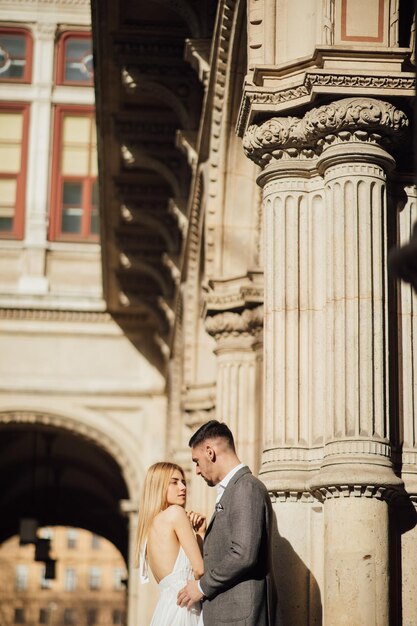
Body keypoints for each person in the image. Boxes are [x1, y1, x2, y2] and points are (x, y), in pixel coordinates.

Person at [177, 420, 276, 626]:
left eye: (196, 461)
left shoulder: (245, 487)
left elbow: (243, 554)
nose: (196, 470)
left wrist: (201, 587)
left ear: (210, 452)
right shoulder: (235, 488)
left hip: (240, 616)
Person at [135, 462, 206, 625]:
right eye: (174, 482)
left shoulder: (148, 530)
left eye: (183, 482)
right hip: (186, 608)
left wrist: (199, 533)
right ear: (158, 486)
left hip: (165, 610)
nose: (183, 487)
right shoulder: (176, 513)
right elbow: (200, 570)